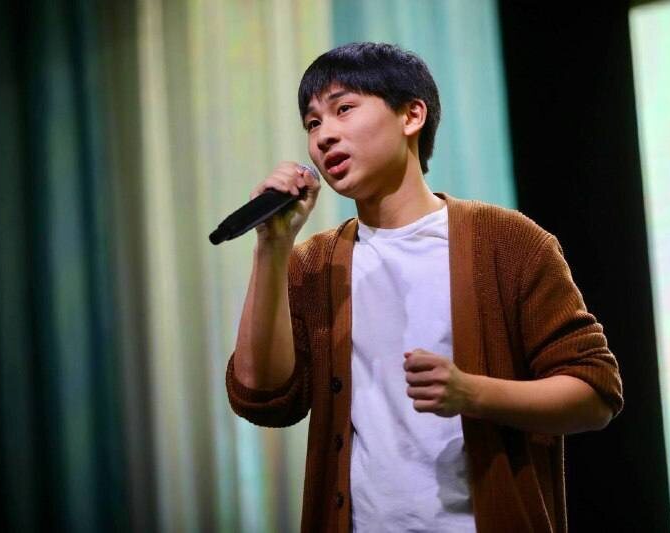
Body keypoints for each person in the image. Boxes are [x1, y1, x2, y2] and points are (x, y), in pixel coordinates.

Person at [225, 42, 623, 532]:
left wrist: (472, 393)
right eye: (312, 123)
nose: (324, 135)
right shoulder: (314, 264)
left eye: (343, 109)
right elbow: (263, 399)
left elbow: (594, 393)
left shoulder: (507, 242)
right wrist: (273, 246)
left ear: (412, 115)